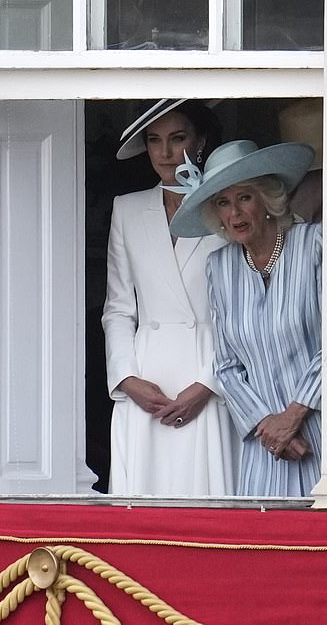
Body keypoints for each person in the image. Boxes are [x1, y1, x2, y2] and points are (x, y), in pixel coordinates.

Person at [169, 139, 322, 497]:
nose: (234, 213)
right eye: (223, 202)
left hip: (320, 434)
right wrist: (267, 424)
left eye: (244, 198)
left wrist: (294, 416)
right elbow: (226, 366)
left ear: (267, 198)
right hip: (265, 446)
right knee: (265, 546)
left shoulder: (314, 245)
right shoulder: (219, 268)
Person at [102, 99, 235, 496]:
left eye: (177, 138)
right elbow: (119, 308)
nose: (163, 153)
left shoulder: (227, 208)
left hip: (209, 371)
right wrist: (126, 378)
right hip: (148, 376)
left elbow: (244, 310)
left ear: (200, 142)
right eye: (154, 140)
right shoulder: (127, 209)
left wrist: (210, 383)